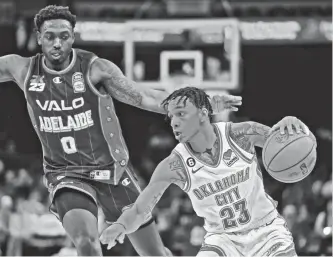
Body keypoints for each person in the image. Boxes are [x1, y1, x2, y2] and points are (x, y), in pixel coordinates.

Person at [0, 5, 242, 256]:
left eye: (64, 36)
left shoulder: (95, 69)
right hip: (66, 173)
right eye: (50, 36)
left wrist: (200, 104)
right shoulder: (22, 68)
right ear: (39, 37)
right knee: (86, 242)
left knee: (155, 253)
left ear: (73, 36)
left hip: (112, 171)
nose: (57, 43)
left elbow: (144, 97)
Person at [100, 87, 315, 257]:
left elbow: (288, 143)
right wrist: (120, 225)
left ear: (203, 114)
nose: (174, 122)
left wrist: (294, 126)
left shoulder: (241, 134)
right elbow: (139, 210)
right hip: (222, 240)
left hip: (266, 230)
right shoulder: (174, 165)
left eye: (181, 114)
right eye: (171, 117)